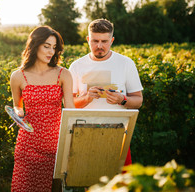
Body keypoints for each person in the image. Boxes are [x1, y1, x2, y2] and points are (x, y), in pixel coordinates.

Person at [69, 18, 143, 165]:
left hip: (119, 132)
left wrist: (122, 99)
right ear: (88, 39)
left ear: (112, 40)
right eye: (95, 41)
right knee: (88, 182)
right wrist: (86, 98)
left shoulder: (126, 63)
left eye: (104, 41)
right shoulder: (76, 66)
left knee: (120, 184)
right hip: (85, 132)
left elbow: (139, 101)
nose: (99, 46)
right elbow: (69, 105)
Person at [10, 26, 75, 192]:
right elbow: (17, 105)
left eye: (54, 48)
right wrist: (18, 114)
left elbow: (70, 110)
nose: (51, 52)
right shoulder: (18, 76)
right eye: (46, 46)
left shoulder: (63, 74)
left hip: (55, 145)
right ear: (35, 45)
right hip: (27, 144)